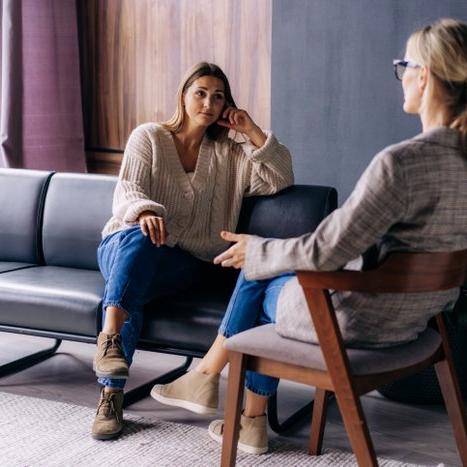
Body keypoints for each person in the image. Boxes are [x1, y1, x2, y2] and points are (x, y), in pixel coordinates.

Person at [151, 19, 467, 455]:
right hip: (418, 322)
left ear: (424, 75)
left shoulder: (403, 164)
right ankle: (243, 415)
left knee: (258, 273)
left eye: (403, 65)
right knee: (265, 260)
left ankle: (215, 386)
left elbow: (326, 249)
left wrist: (258, 250)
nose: (402, 75)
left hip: (356, 324)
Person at [91, 62, 294, 440]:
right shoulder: (148, 136)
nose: (209, 102)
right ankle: (111, 355)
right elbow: (127, 192)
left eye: (218, 96)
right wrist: (146, 211)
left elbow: (280, 179)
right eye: (200, 92)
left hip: (186, 262)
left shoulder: (231, 155)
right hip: (124, 244)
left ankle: (111, 388)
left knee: (138, 278)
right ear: (183, 96)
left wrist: (251, 131)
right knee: (140, 241)